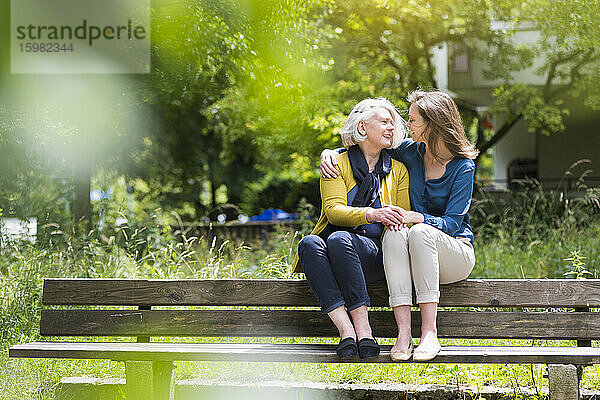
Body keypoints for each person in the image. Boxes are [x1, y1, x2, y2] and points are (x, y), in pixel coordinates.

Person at [319, 90, 478, 361]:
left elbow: (452, 224)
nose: (407, 124)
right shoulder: (410, 152)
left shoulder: (463, 167)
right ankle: (404, 333)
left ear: (432, 123)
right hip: (414, 250)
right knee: (394, 232)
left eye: (414, 119)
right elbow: (366, 145)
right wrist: (329, 153)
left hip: (454, 253)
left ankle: (429, 333)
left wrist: (418, 217)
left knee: (418, 231)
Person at [293, 97, 411, 359]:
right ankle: (347, 332)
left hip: (374, 254)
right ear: (362, 127)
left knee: (339, 239)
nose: (391, 127)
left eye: (392, 122)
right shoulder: (336, 162)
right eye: (383, 121)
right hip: (336, 251)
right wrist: (373, 213)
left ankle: (364, 329)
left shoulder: (398, 170)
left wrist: (386, 218)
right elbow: (333, 211)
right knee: (309, 244)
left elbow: (402, 216)